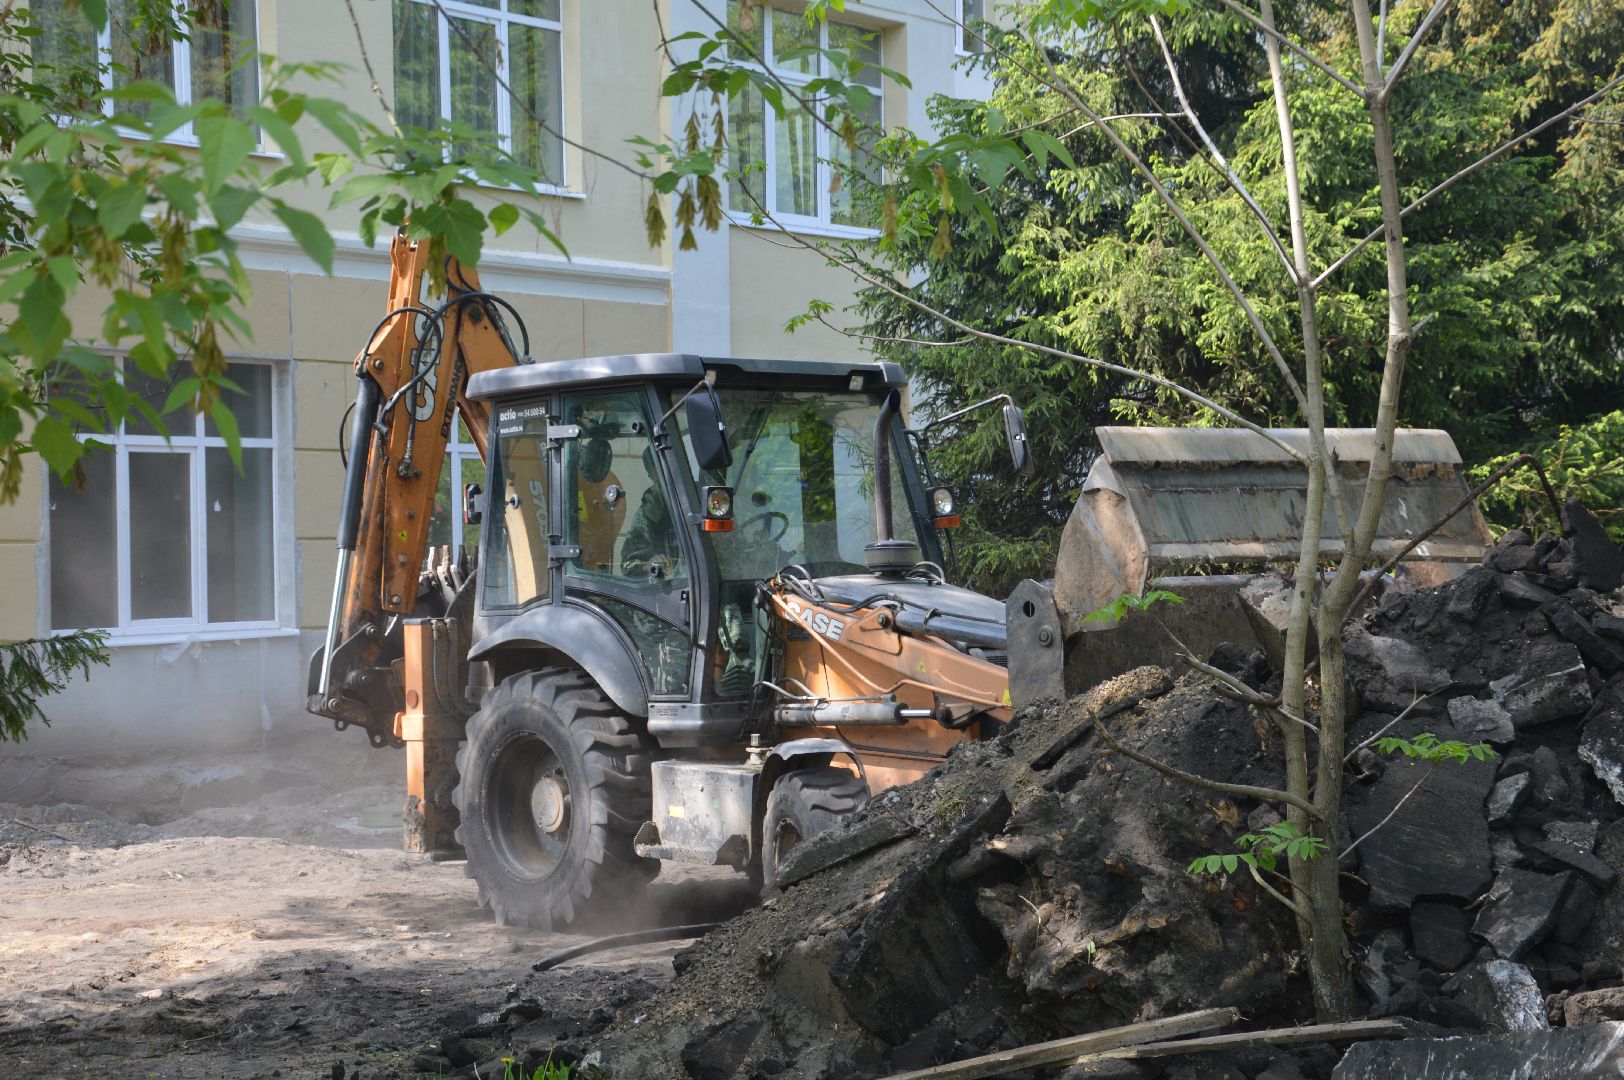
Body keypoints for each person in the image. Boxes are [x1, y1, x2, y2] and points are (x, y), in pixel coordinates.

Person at [620, 446, 683, 580]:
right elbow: (628, 565)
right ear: (651, 475)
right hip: (666, 591)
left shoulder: (702, 500)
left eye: (671, 466)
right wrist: (648, 566)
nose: (668, 474)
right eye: (659, 470)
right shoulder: (646, 516)